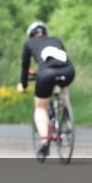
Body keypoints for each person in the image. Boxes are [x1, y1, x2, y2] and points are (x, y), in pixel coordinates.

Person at [17, 22, 75, 162]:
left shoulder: (29, 43)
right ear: (46, 33)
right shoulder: (56, 40)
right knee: (62, 85)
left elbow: (25, 68)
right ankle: (64, 108)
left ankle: (44, 141)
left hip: (46, 73)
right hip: (68, 71)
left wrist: (23, 85)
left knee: (40, 107)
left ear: (31, 35)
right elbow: (59, 60)